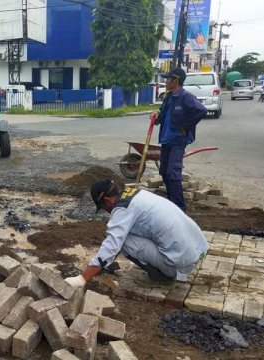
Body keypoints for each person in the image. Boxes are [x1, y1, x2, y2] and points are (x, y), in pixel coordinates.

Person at [65, 179, 208, 288]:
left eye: (102, 207)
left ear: (107, 200)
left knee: (123, 241)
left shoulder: (123, 209)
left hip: (180, 263)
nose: (105, 211)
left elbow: (112, 245)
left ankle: (162, 277)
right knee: (125, 234)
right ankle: (166, 267)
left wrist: (82, 279)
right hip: (197, 249)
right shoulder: (136, 193)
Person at [152, 68, 207, 212]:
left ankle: (179, 207)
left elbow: (201, 110)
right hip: (165, 140)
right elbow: (162, 112)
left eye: (168, 79)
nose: (166, 81)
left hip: (177, 140)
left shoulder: (185, 97)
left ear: (175, 81)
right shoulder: (168, 96)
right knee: (164, 171)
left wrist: (186, 126)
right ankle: (171, 202)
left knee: (173, 172)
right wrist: (156, 115)